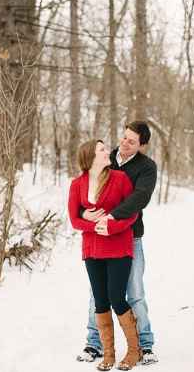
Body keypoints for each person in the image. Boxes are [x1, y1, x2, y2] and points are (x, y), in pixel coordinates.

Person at [76, 121, 158, 366]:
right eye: (124, 138)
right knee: (97, 293)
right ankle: (95, 342)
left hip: (129, 236)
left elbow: (139, 198)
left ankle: (145, 345)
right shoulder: (106, 157)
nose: (124, 144)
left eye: (132, 141)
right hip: (100, 237)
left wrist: (112, 217)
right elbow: (84, 189)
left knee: (134, 292)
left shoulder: (147, 167)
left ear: (142, 145)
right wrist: (83, 215)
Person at [68, 139, 142, 371]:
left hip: (119, 246)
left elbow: (132, 213)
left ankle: (134, 350)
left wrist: (112, 227)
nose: (106, 151)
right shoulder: (77, 184)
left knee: (117, 298)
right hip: (92, 250)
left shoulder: (119, 179)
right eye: (101, 149)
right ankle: (108, 354)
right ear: (90, 158)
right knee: (100, 301)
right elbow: (75, 220)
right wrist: (92, 223)